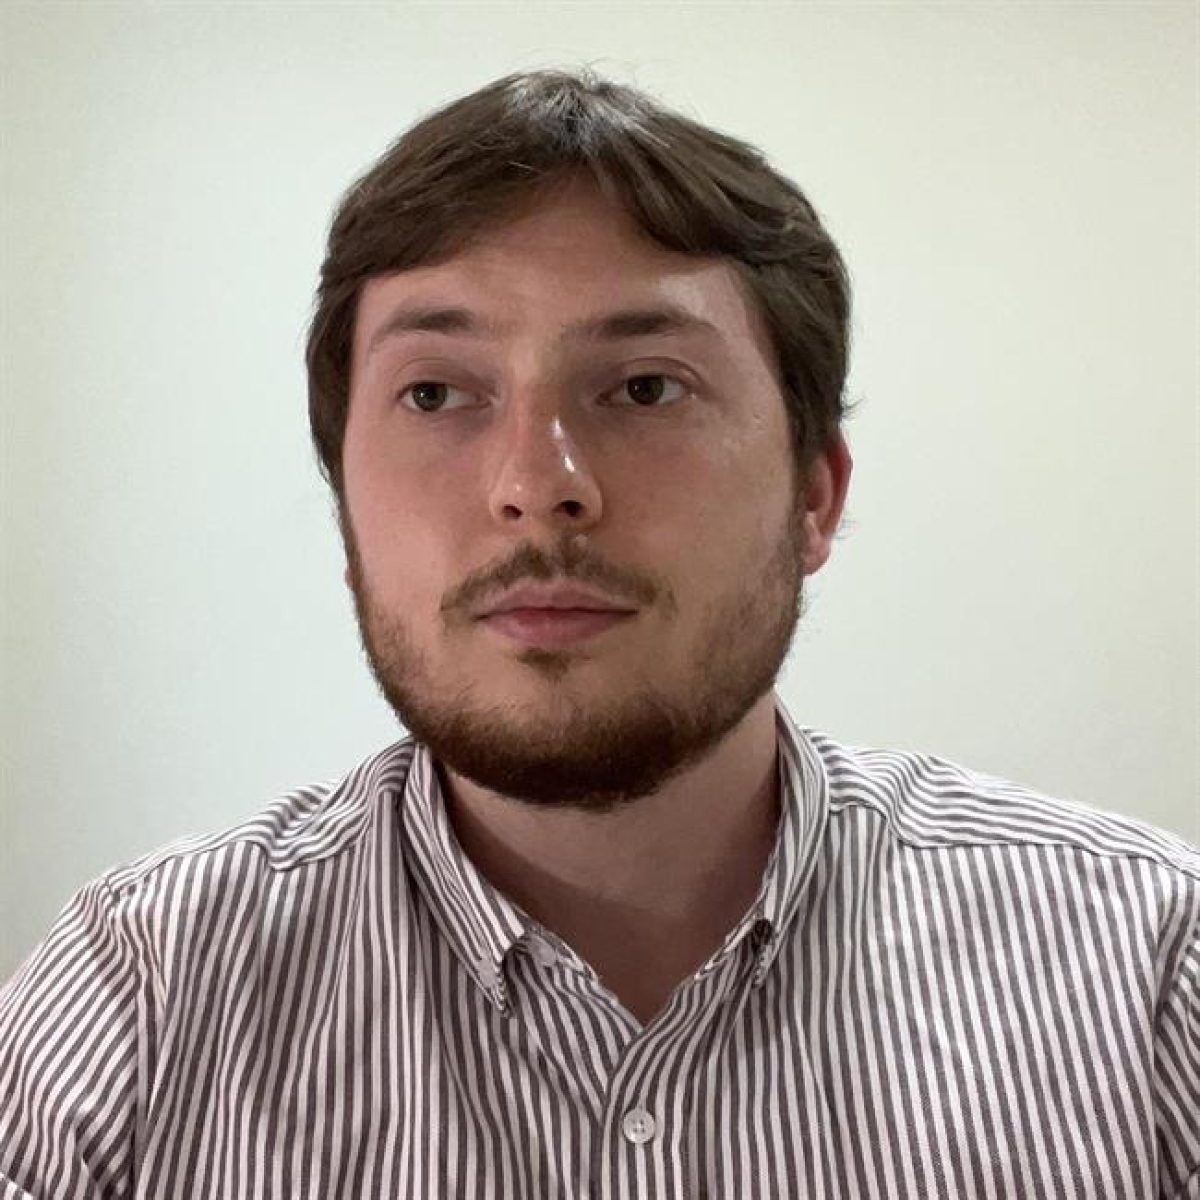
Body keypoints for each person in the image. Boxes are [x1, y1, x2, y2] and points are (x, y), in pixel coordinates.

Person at [1, 68, 1196, 1200]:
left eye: (645, 387)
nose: (536, 486)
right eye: (436, 393)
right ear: (345, 510)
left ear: (814, 495)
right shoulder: (138, 1000)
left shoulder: (1149, 970)